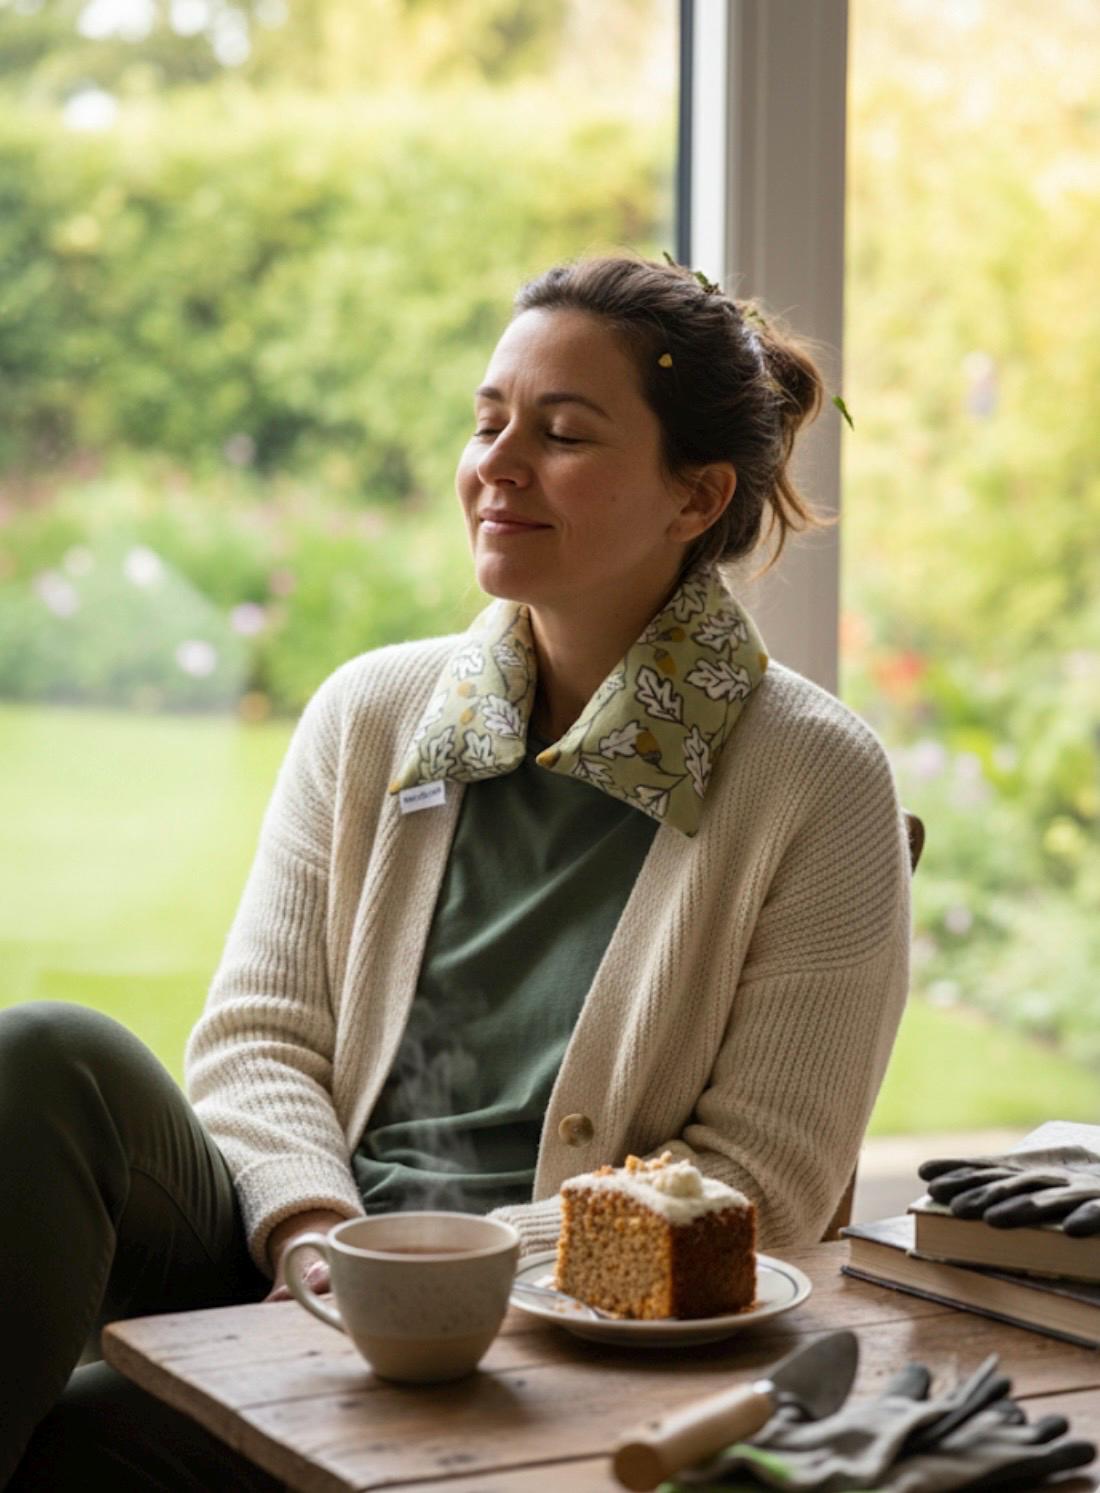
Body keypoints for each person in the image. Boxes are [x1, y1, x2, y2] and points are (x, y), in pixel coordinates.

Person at [0, 255, 911, 1489]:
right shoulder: (370, 710)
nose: (497, 464)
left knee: (78, 1439)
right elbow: (260, 1040)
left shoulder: (815, 776)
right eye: (488, 422)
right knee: (44, 1053)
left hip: (561, 1332)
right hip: (300, 1258)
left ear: (694, 496)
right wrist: (321, 1236)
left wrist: (432, 1268)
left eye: (561, 433)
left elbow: (762, 1184)